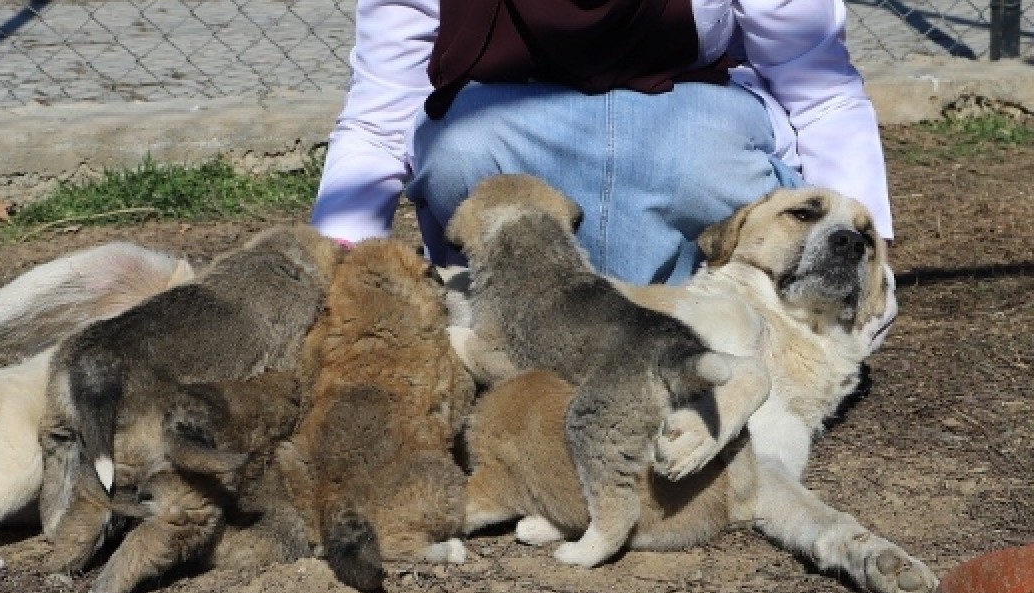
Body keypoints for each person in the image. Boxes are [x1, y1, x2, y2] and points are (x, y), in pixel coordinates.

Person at [309, 0, 898, 349]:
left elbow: (818, 89)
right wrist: (333, 272)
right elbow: (380, 118)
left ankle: (722, 340)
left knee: (698, 150)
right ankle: (503, 341)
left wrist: (872, 266)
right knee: (464, 142)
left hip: (697, 127)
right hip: (512, 170)